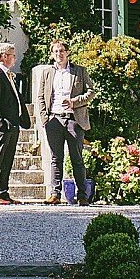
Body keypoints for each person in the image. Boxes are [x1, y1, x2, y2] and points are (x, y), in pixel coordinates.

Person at [33, 38, 94, 205]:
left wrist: (75, 102)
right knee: (55, 158)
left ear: (67, 52)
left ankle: (82, 195)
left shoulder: (79, 71)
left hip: (74, 120)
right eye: (55, 51)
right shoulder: (47, 73)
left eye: (61, 51)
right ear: (52, 54)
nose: (59, 54)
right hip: (54, 119)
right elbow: (41, 97)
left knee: (77, 158)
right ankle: (55, 194)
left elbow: (91, 92)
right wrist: (46, 118)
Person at [0, 41, 28, 204]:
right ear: (3, 56)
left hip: (13, 123)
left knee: (7, 159)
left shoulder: (8, 74)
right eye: (12, 55)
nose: (15, 59)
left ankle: (3, 191)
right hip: (3, 125)